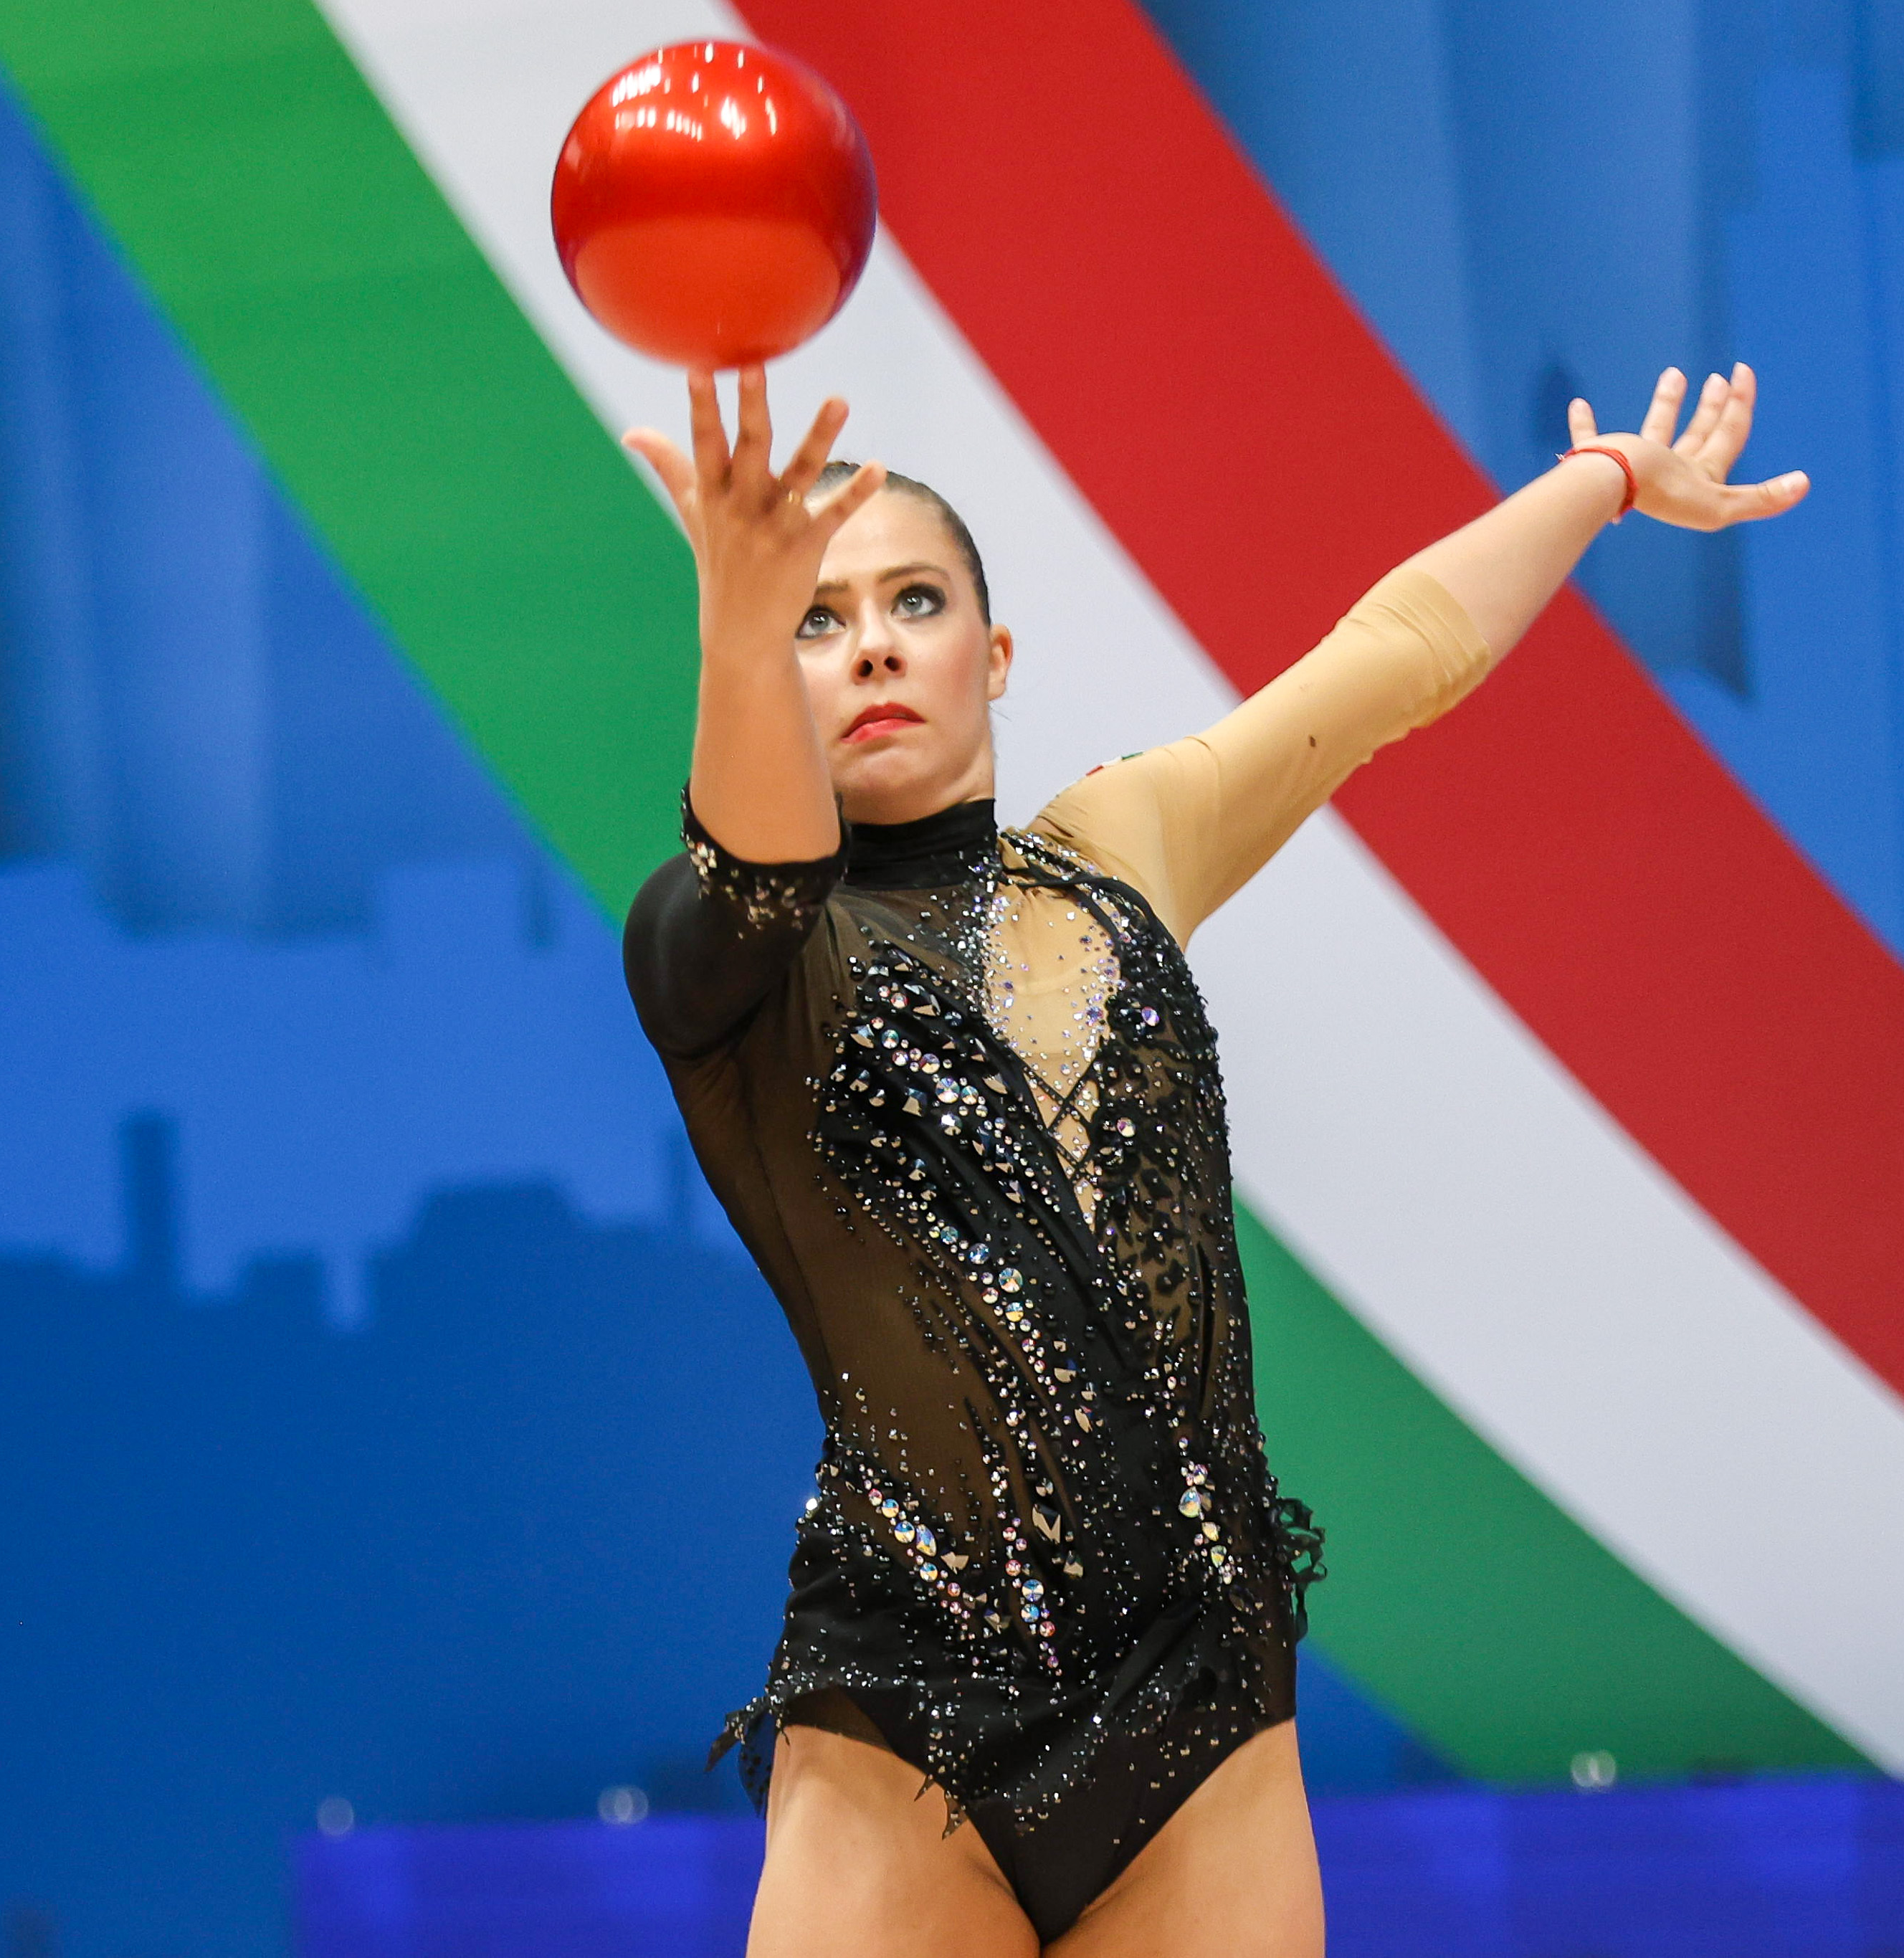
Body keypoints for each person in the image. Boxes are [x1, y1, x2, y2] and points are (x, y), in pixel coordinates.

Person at [619, 361, 1807, 1956]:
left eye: (913, 598)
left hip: (1195, 1698)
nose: (877, 642)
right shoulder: (729, 957)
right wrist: (732, 632)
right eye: (819, 620)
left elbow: (1382, 666)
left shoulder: (1118, 849)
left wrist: (1597, 484)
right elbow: (756, 863)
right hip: (904, 1715)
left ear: (996, 652)